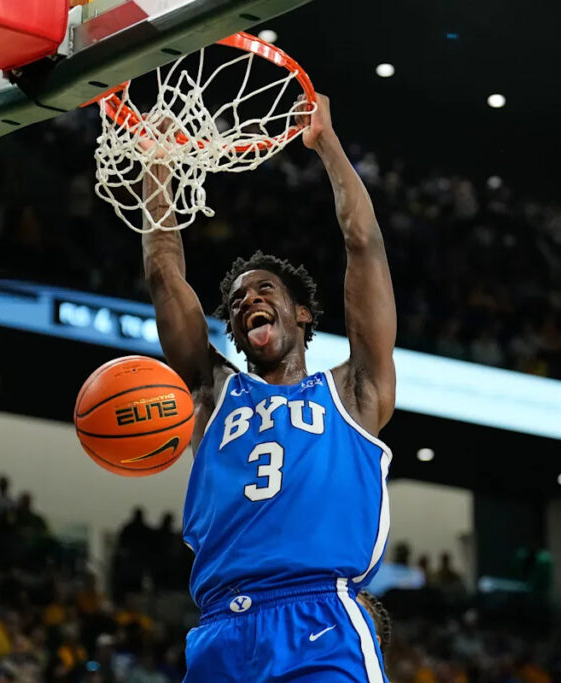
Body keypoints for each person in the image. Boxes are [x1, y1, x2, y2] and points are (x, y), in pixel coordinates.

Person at [140, 93, 396, 681]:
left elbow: (364, 245)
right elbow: (162, 275)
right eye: (236, 302)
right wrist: (156, 165)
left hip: (318, 621)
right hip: (219, 633)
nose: (247, 300)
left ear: (301, 314)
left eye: (263, 291)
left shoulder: (353, 392)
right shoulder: (212, 394)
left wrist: (326, 144)